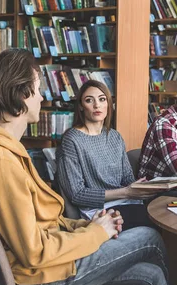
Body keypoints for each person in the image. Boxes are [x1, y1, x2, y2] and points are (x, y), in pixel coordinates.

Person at [0, 48, 172, 285]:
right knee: (149, 237)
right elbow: (35, 252)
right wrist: (98, 234)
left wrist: (88, 225)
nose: (42, 97)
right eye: (37, 89)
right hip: (39, 280)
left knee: (150, 277)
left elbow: (40, 225)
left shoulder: (6, 151)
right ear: (22, 93)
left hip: (51, 266)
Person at [57, 80, 161, 230]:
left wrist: (141, 187)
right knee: (156, 219)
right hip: (99, 211)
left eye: (102, 99)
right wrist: (126, 192)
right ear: (80, 106)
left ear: (108, 104)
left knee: (167, 204)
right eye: (89, 100)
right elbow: (77, 194)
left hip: (126, 201)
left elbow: (127, 179)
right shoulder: (72, 140)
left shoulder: (114, 137)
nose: (97, 105)